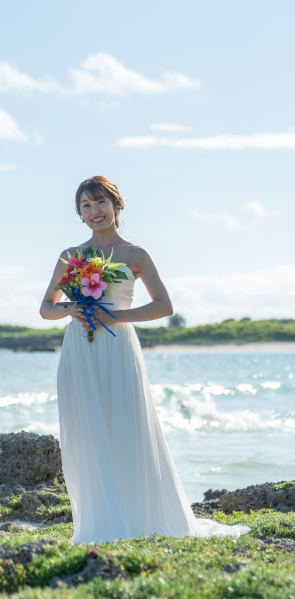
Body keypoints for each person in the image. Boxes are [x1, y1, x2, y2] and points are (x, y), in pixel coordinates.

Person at [39, 175, 248, 544]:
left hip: (118, 345)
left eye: (100, 202)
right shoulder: (69, 256)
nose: (94, 211)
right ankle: (100, 519)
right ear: (79, 213)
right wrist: (72, 308)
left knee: (127, 425)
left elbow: (164, 305)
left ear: (116, 205)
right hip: (79, 349)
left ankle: (139, 516)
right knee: (87, 430)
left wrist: (115, 316)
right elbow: (46, 308)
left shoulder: (135, 255)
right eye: (86, 205)